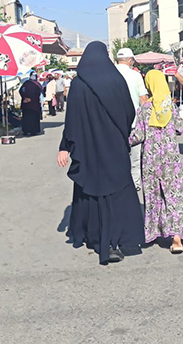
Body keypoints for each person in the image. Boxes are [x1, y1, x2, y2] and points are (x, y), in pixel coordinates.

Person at [57, 41, 144, 265]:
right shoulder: (116, 80)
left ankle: (97, 238)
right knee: (118, 190)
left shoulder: (78, 85)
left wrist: (65, 146)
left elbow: (72, 121)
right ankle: (121, 240)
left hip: (88, 150)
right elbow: (129, 113)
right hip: (114, 147)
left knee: (93, 191)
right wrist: (119, 133)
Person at [129, 70, 183, 253]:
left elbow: (138, 136)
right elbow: (179, 130)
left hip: (151, 160)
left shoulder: (145, 109)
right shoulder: (171, 107)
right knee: (174, 196)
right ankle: (177, 239)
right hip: (171, 159)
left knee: (154, 196)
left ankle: (153, 233)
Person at [115, 48, 149, 201]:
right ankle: (134, 184)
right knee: (135, 158)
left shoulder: (110, 74)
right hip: (134, 122)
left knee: (118, 155)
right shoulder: (135, 75)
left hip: (114, 124)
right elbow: (143, 98)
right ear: (130, 61)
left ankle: (118, 183)